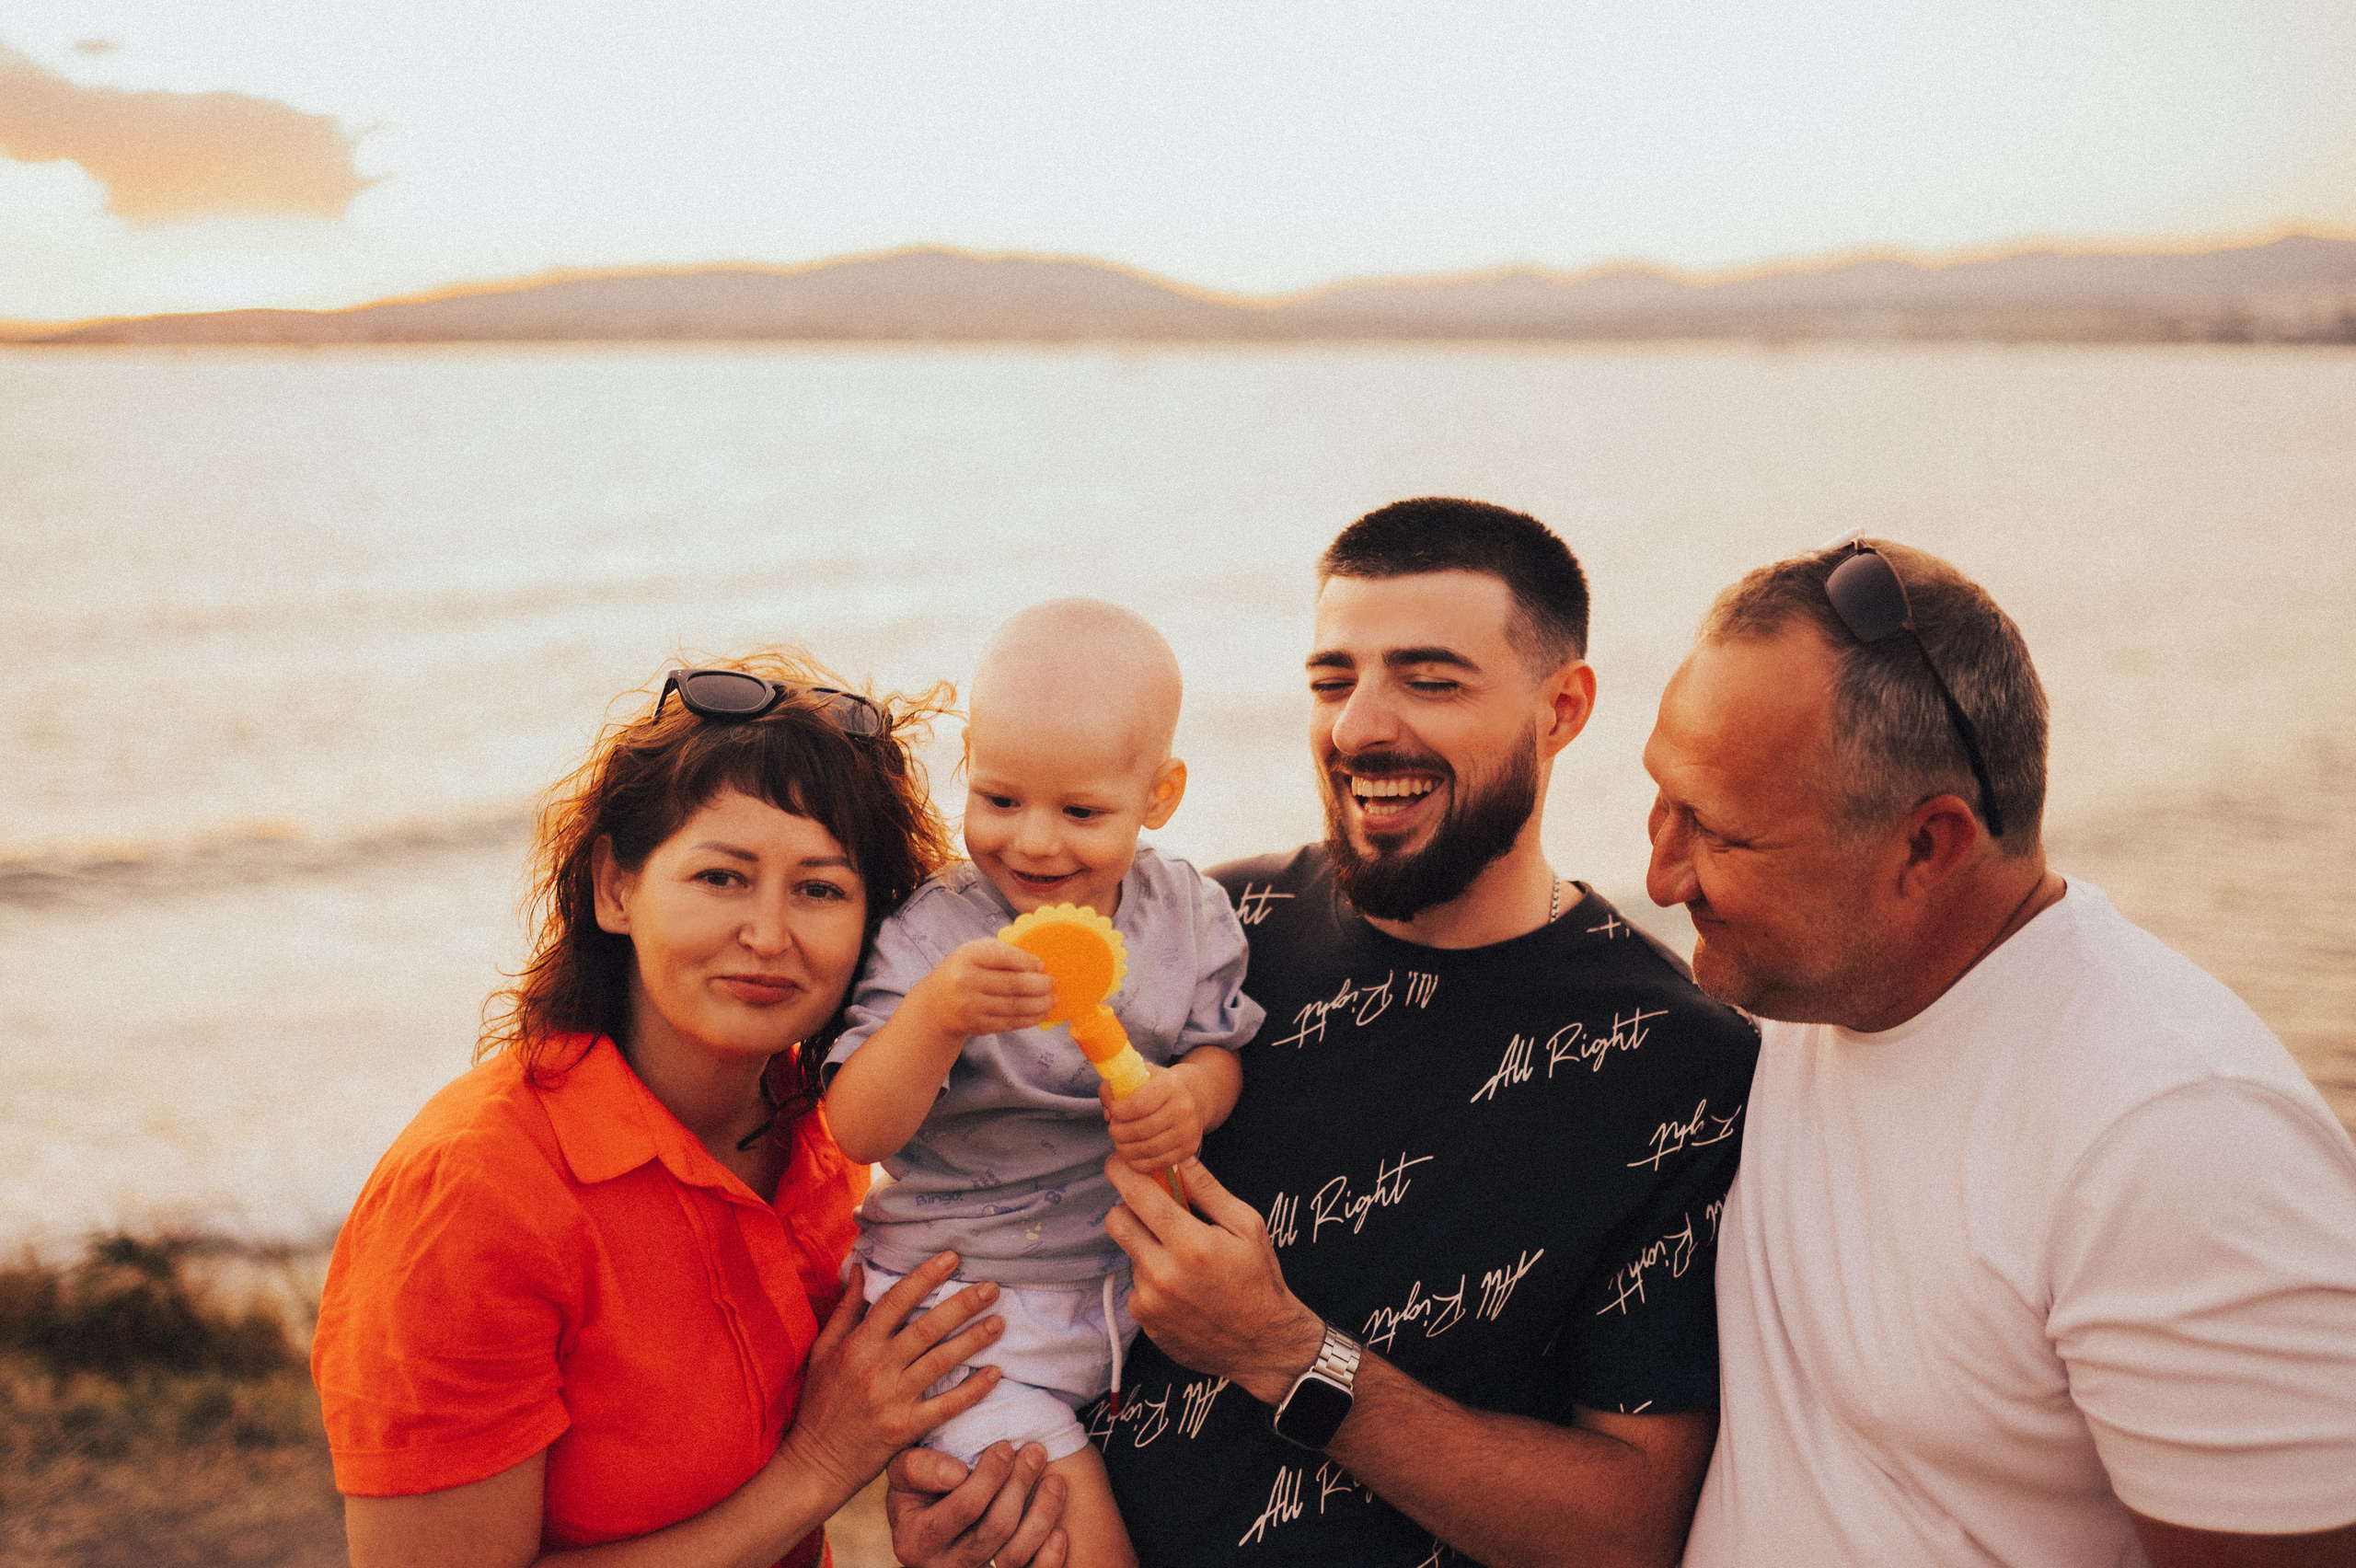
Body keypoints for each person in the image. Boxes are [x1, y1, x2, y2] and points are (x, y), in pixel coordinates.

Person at [888, 499, 1761, 1568]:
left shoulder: (1677, 1064)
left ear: (1561, 709)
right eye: (1333, 680)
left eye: (1429, 681)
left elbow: (1630, 1533)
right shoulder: (1205, 933)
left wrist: (1286, 1354)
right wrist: (957, 1491)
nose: (1358, 726)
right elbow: (969, 1190)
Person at [1645, 540, 2356, 1565]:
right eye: (1662, 797)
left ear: (1927, 848)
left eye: (1716, 832)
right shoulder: (1811, 989)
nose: (1661, 875)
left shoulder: (2176, 1142)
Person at [311, 651, 1045, 1568]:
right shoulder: (474, 1194)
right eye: (722, 877)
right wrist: (819, 1464)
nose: (768, 935)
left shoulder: (822, 1132)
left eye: (819, 889)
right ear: (615, 887)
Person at [824, 599, 1265, 1568]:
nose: (1031, 843)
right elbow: (854, 1126)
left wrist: (1191, 1097)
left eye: (1081, 812)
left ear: (1160, 793)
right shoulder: (936, 933)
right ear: (969, 764)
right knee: (1081, 1544)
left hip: (1117, 1299)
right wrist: (934, 1017)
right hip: (967, 1314)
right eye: (1000, 798)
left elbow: (1219, 1046)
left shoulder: (1185, 915)